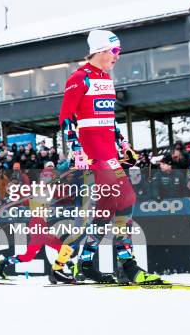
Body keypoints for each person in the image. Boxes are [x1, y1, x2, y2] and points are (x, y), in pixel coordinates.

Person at [58, 29, 160, 284]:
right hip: (94, 153)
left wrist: (123, 143)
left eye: (118, 51)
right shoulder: (79, 78)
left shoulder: (106, 79)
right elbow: (66, 117)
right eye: (114, 51)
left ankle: (83, 263)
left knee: (105, 209)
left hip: (109, 151)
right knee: (127, 197)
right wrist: (76, 149)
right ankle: (129, 266)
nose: (117, 56)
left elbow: (108, 120)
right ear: (101, 50)